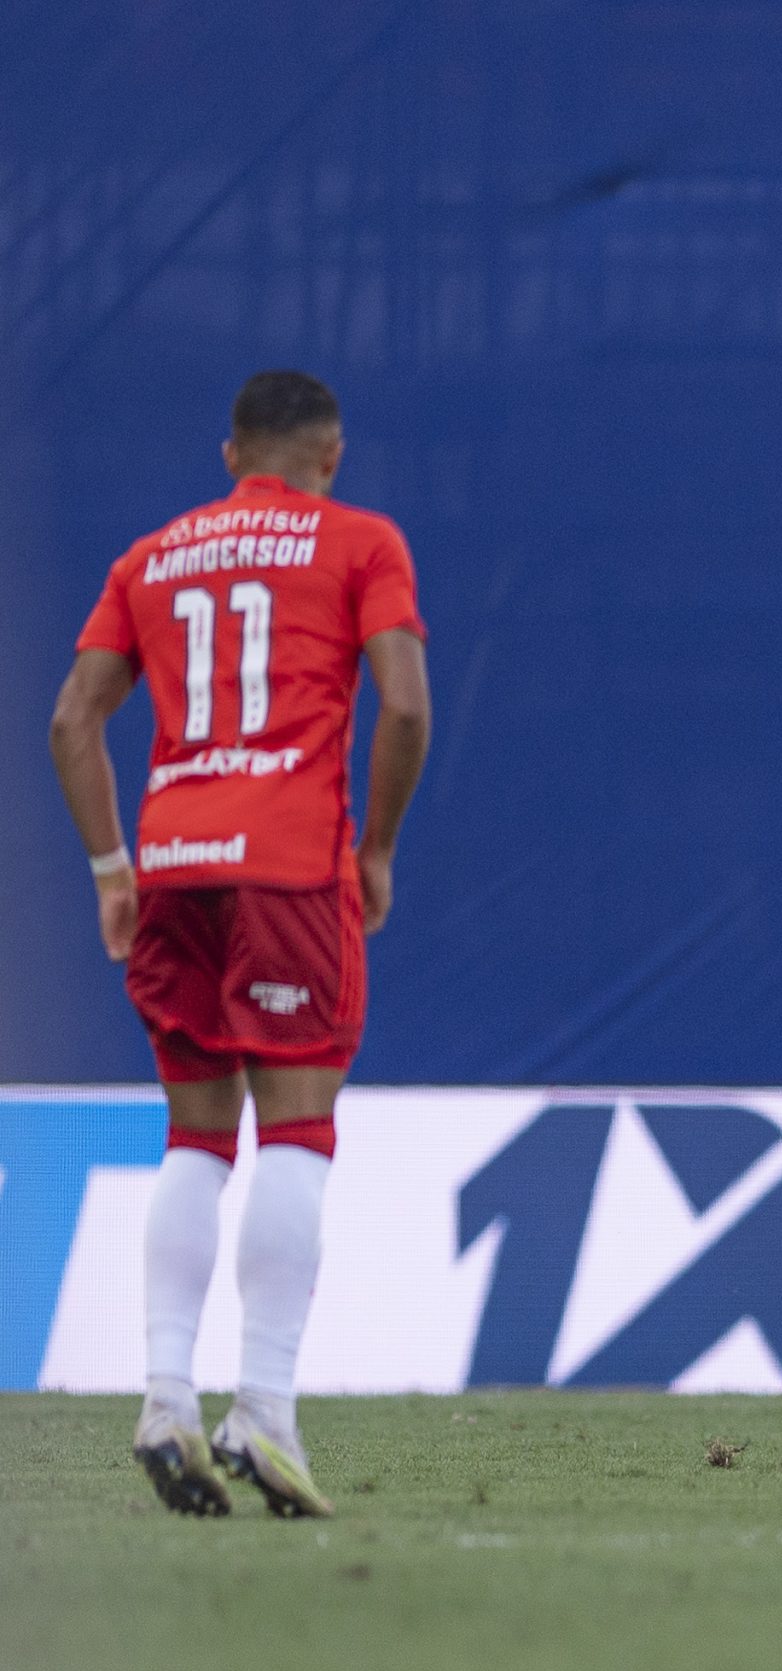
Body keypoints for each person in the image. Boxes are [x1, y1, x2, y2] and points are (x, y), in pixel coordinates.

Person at [48, 371, 431, 1518]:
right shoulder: (361, 541)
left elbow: (74, 718)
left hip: (174, 863)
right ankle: (262, 1405)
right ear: (333, 453)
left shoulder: (152, 555)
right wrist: (378, 850)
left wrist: (112, 870)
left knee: (196, 1137)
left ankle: (165, 1393)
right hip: (288, 862)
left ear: (230, 456)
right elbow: (405, 704)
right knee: (299, 1131)